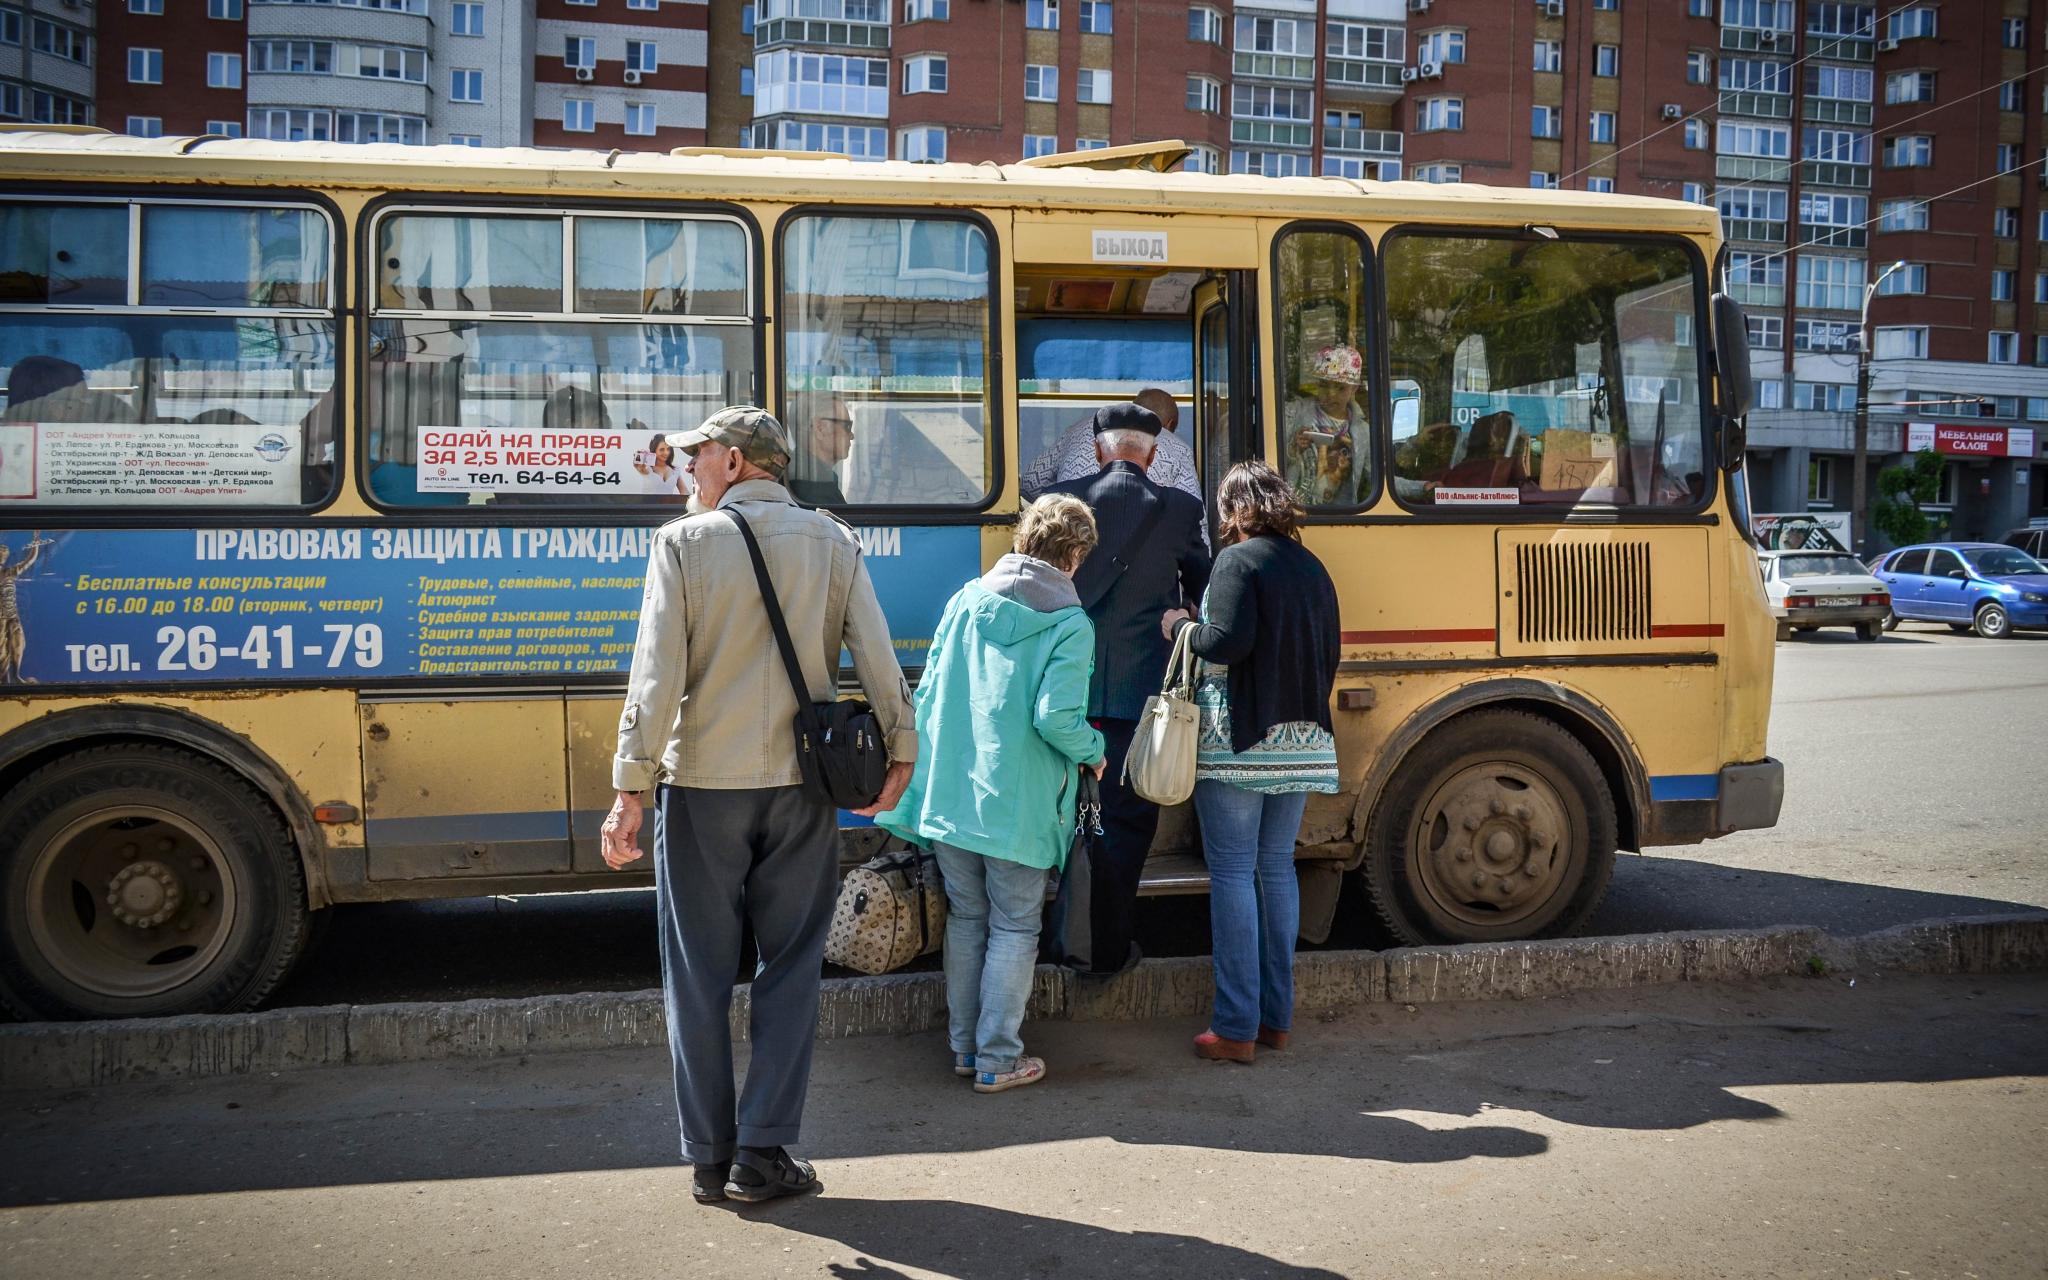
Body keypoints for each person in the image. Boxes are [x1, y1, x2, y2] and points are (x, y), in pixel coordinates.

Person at [600, 405, 917, 1206]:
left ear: (736, 462)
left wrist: (630, 788)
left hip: (702, 789)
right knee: (792, 966)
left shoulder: (682, 543)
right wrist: (902, 749)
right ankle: (763, 1152)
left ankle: (710, 1158)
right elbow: (877, 654)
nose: (688, 469)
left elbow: (655, 674)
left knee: (697, 975)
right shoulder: (834, 541)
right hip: (803, 788)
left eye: (699, 455)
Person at [876, 496, 1107, 1094]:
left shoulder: (965, 601)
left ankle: (964, 1047)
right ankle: (998, 1059)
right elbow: (1056, 719)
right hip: (1019, 808)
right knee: (1014, 928)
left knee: (968, 919)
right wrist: (1094, 750)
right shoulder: (1070, 625)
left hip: (953, 798)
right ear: (1074, 557)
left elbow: (929, 692)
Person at [1161, 460, 1339, 1063]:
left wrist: (1182, 626)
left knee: (1234, 873)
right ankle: (1275, 1020)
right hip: (1304, 740)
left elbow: (1228, 642)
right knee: (1277, 869)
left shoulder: (1237, 561)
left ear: (1233, 509)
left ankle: (1235, 1027)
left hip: (1241, 739)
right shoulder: (1312, 566)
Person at [1043, 402, 1209, 977]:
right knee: (1128, 824)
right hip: (1141, 697)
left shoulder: (1060, 500)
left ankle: (1062, 938)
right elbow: (1202, 585)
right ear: (1154, 455)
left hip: (1067, 694)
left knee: (1068, 819)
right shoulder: (1180, 507)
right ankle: (1107, 948)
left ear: (1097, 450)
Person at [1021, 387, 1200, 503]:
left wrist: (1058, 503)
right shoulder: (1178, 448)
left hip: (1073, 534)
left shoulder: (1077, 430)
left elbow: (1029, 482)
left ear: (1097, 449)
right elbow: (1197, 518)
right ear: (1170, 424)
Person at [1283, 345, 1367, 506]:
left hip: (1339, 516)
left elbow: (1378, 476)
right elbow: (1269, 459)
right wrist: (1293, 449)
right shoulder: (1295, 413)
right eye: (1324, 385)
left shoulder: (1362, 431)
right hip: (1294, 509)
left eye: (1340, 388)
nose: (1331, 394)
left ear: (1354, 389)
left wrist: (1418, 487)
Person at [787, 395, 855, 507]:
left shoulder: (813, 475)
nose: (852, 436)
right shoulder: (809, 485)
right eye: (847, 426)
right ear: (820, 429)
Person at [631, 432, 690, 498]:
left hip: (668, 504)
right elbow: (640, 467)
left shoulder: (675, 469)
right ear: (654, 450)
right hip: (648, 504)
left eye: (668, 449)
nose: (666, 453)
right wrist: (639, 459)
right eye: (662, 449)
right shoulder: (647, 468)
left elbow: (684, 492)